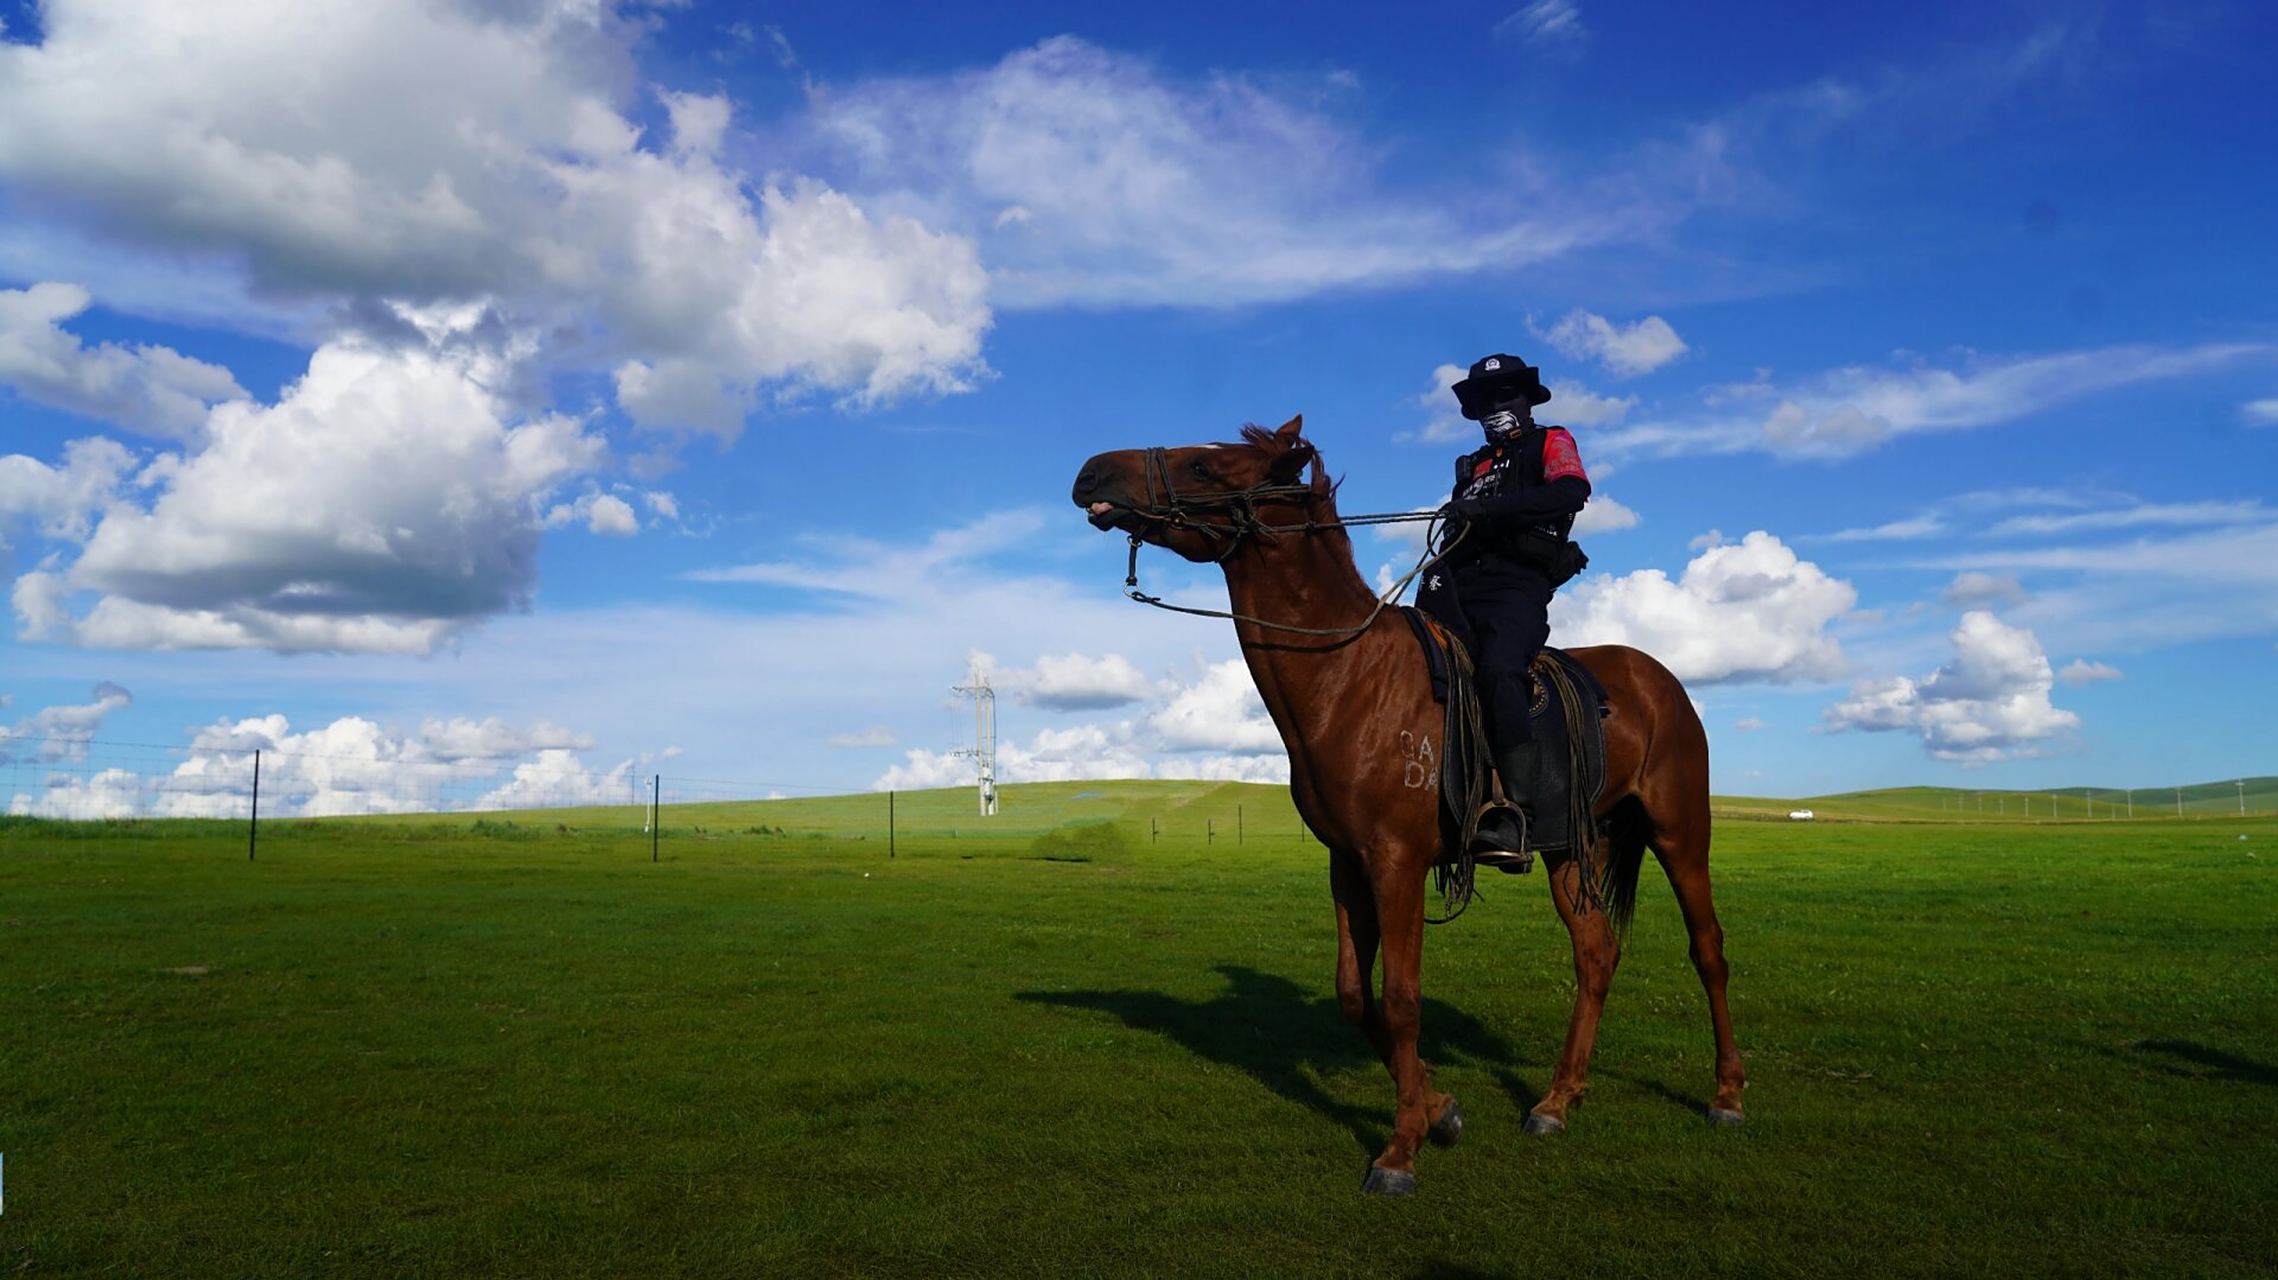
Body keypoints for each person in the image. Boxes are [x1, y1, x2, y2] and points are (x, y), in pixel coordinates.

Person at [1435, 353, 1591, 866]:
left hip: (1517, 586)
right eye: (1486, 400)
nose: (1495, 407)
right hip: (1462, 585)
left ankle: (1515, 813)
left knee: (1500, 669)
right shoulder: (1471, 467)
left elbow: (1570, 493)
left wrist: (1486, 510)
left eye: (1505, 396)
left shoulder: (1552, 442)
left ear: (1526, 400)